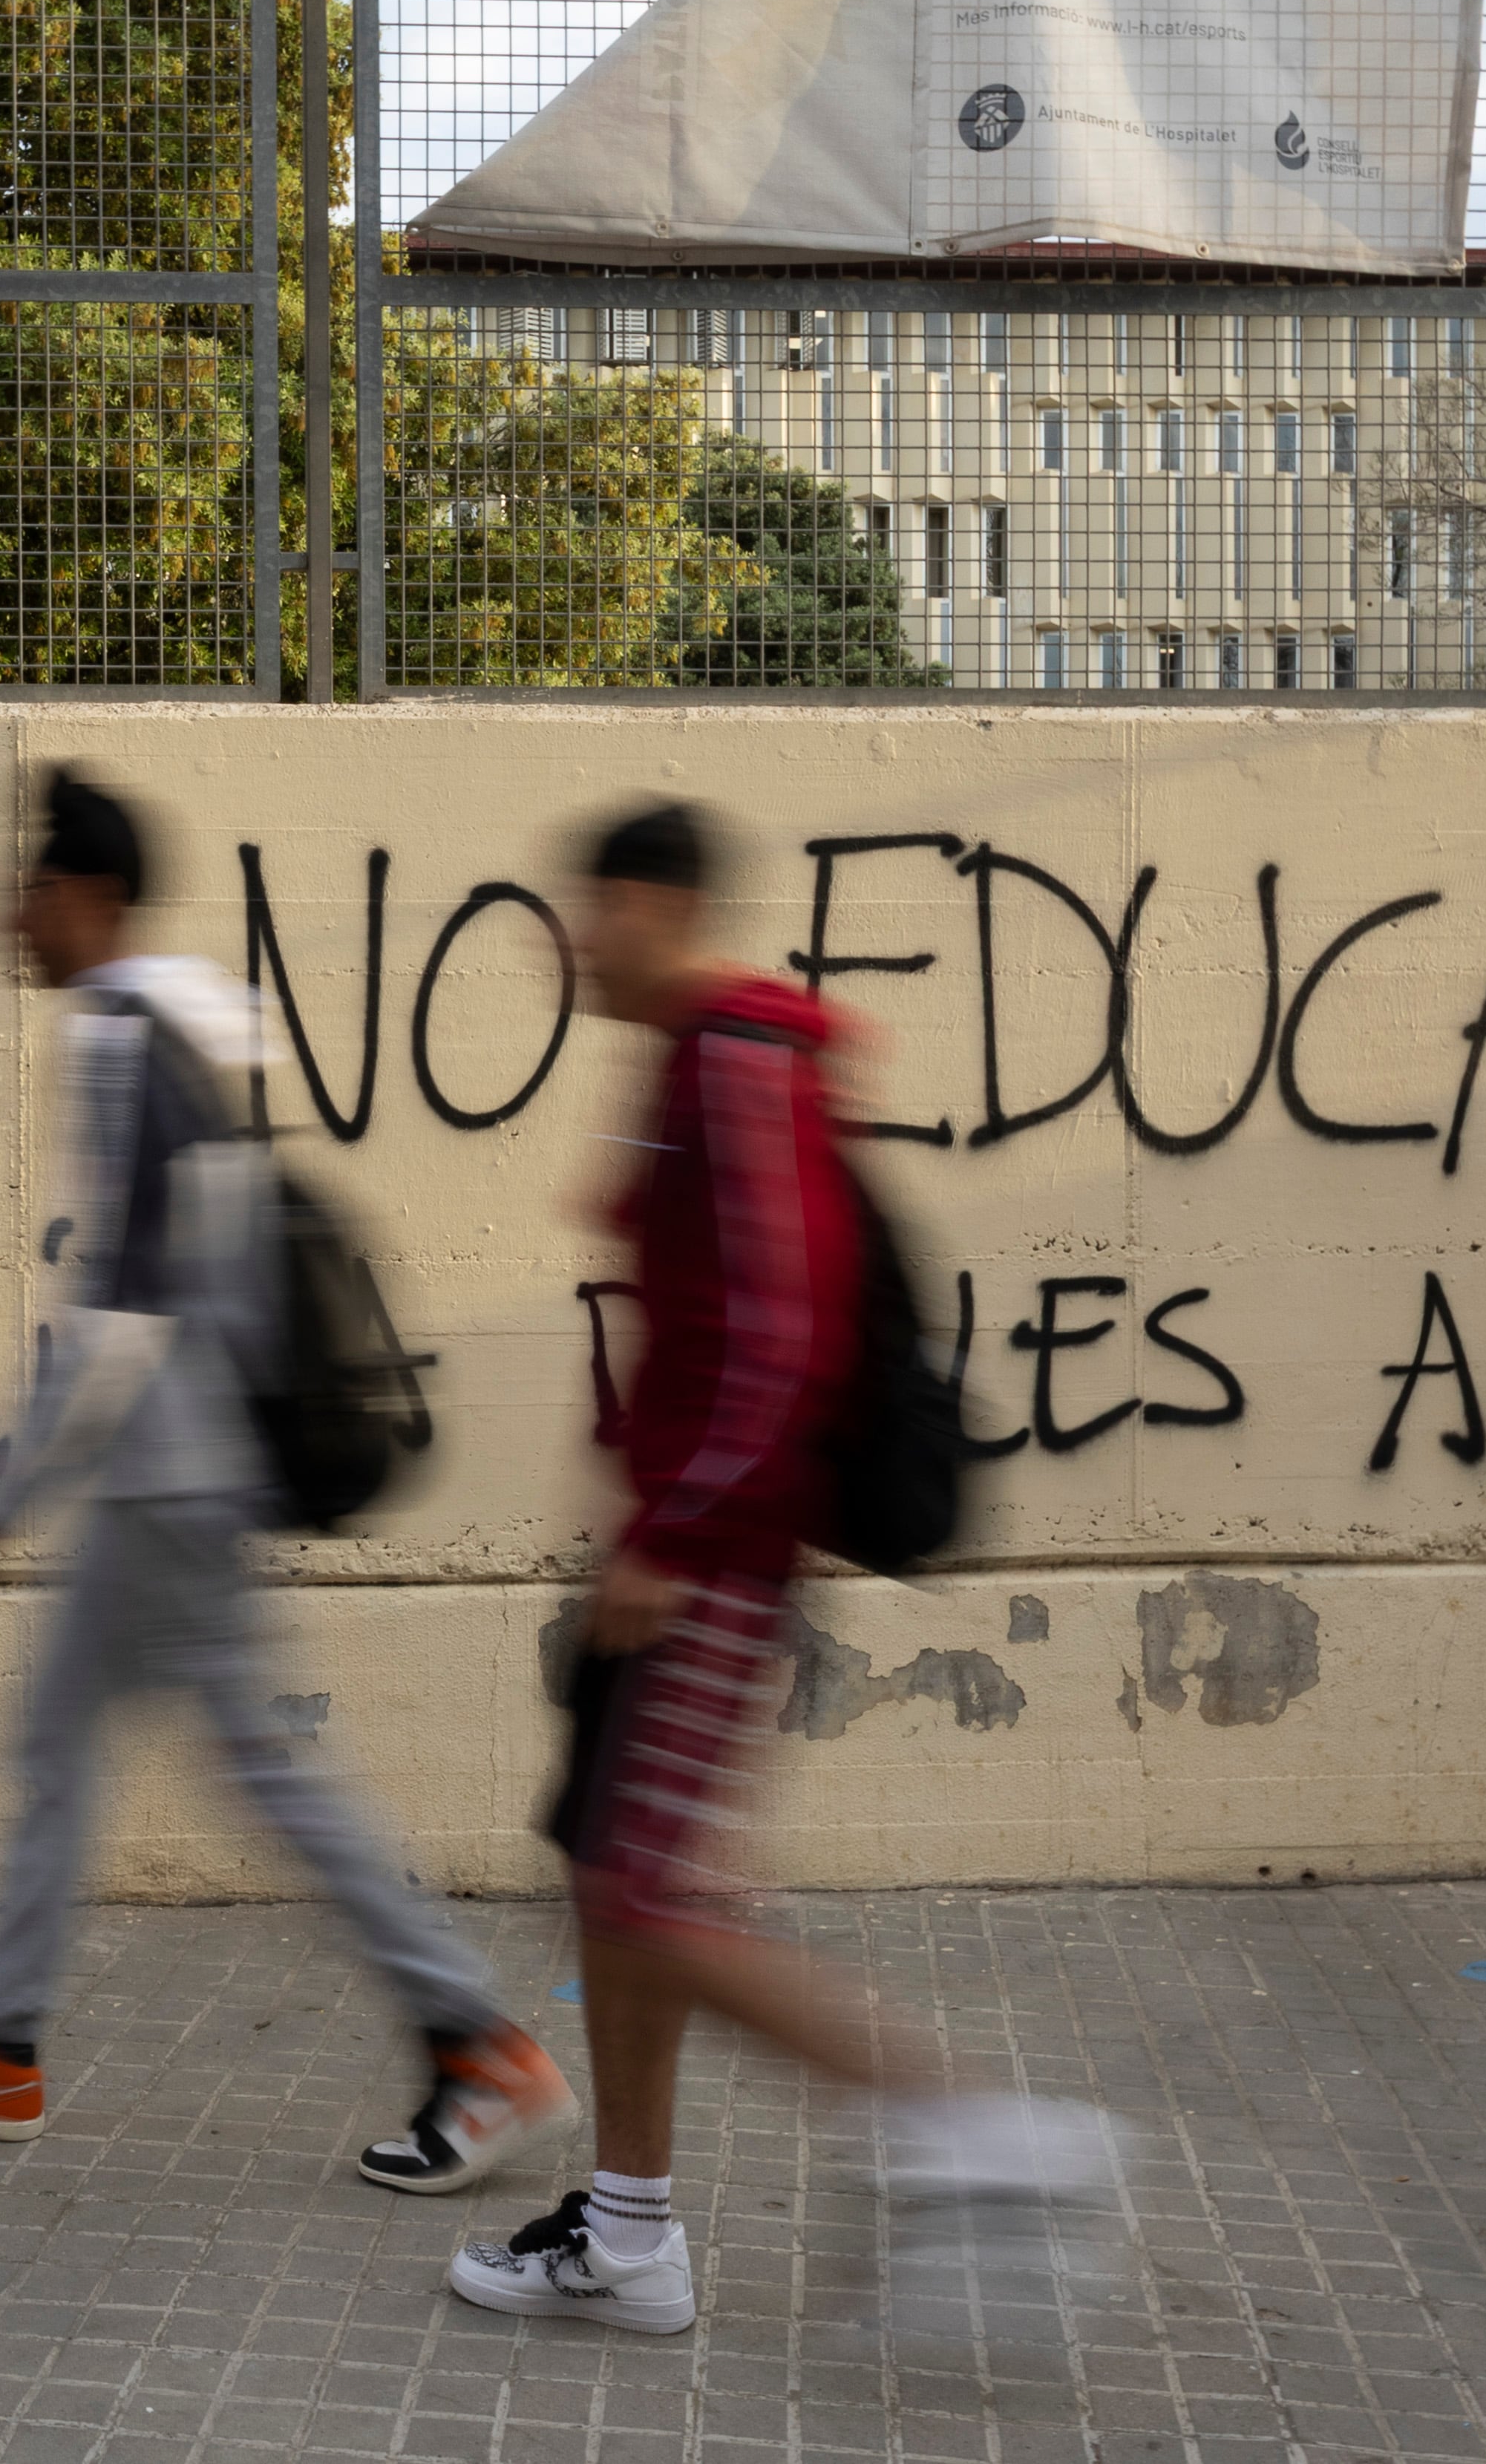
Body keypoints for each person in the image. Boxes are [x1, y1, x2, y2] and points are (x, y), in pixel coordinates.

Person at [0, 768, 575, 2196]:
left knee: (260, 1773)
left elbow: (124, 1304)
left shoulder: (122, 1039)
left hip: (167, 1477)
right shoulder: (187, 1026)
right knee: (72, 1750)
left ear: (88, 900)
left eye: (30, 883)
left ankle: (476, 2040)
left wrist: (2, 1485)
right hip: (176, 1471)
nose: (8, 909)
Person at [446, 800, 1118, 2336]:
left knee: (650, 1888)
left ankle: (968, 2128)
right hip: (667, 1546)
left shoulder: (741, 1061)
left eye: (586, 906)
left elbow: (782, 1327)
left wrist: (679, 1536)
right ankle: (624, 2232)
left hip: (711, 1561)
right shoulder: (685, 1061)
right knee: (607, 1883)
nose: (567, 939)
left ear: (648, 901)